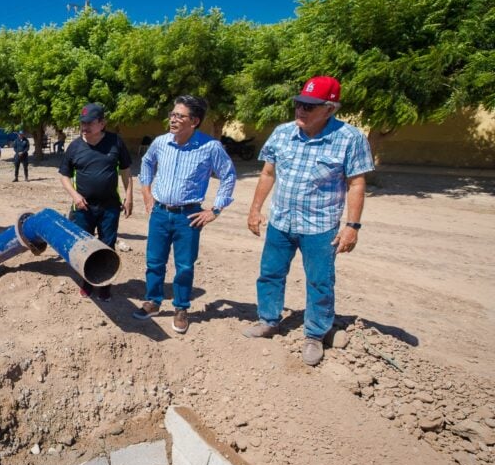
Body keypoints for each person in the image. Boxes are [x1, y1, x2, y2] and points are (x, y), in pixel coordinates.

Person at [243, 76, 374, 366]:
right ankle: (268, 320)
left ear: (329, 109)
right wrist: (255, 209)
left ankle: (315, 334)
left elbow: (356, 184)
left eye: (310, 106)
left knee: (320, 282)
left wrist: (352, 227)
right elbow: (268, 173)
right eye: (300, 104)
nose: (301, 110)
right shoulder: (282, 133)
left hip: (320, 226)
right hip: (281, 222)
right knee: (270, 273)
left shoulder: (350, 138)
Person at [133, 95, 237, 334]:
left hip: (188, 216)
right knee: (154, 261)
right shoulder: (161, 142)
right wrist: (146, 193)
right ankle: (153, 301)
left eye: (180, 116)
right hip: (159, 212)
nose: (173, 119)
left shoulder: (210, 147)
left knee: (185, 266)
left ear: (195, 121)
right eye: (172, 114)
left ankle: (181, 308)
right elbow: (147, 163)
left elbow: (228, 176)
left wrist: (215, 210)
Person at [59, 102, 133, 301]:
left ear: (102, 123)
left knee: (107, 245)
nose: (84, 127)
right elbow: (64, 176)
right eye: (82, 123)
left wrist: (129, 196)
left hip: (109, 206)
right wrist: (75, 195)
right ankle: (87, 282)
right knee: (84, 244)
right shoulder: (74, 147)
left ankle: (105, 284)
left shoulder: (115, 142)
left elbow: (126, 170)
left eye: (89, 123)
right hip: (83, 207)